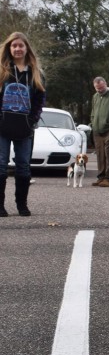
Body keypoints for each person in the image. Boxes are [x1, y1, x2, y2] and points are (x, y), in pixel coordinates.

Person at [0, 32, 45, 217]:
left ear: (27, 48)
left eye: (21, 45)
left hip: (25, 127)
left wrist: (33, 119)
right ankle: (0, 206)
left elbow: (40, 100)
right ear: (9, 49)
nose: (18, 49)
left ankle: (22, 204)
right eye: (14, 46)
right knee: (1, 164)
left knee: (23, 165)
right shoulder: (2, 71)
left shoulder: (36, 73)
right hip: (2, 126)